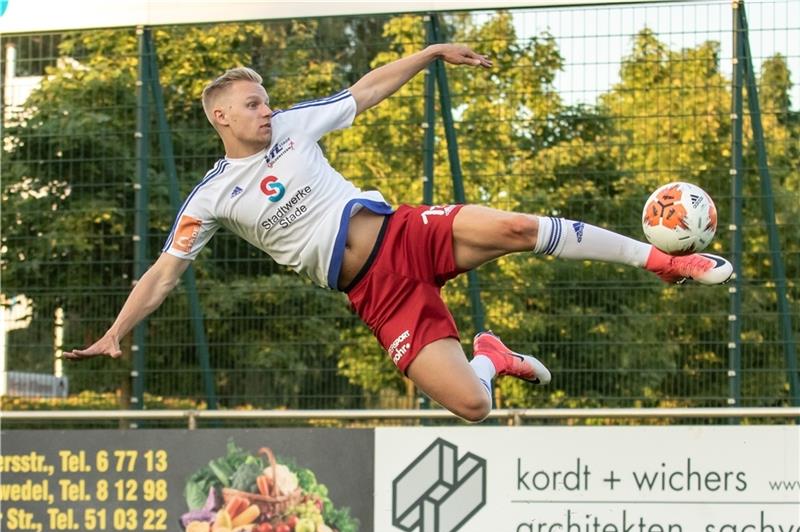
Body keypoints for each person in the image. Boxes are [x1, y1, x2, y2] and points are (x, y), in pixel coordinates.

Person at [65, 44, 733, 422]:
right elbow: (163, 272)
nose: (267, 109)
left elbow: (367, 87)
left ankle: (666, 263)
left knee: (515, 226)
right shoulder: (209, 196)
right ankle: (491, 357)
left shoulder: (297, 126)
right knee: (472, 406)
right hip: (377, 296)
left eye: (267, 99)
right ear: (220, 117)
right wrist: (118, 331)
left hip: (404, 233)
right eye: (252, 103)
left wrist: (431, 53)